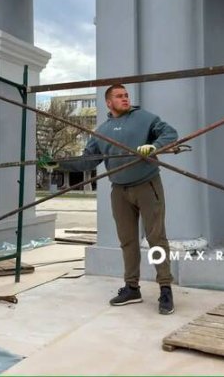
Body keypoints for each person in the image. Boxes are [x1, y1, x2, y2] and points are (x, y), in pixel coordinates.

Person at [46, 84, 178, 314]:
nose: (125, 98)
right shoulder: (102, 131)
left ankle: (165, 288)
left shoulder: (144, 118)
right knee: (127, 240)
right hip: (119, 191)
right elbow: (87, 161)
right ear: (109, 102)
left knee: (156, 238)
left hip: (147, 185)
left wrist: (154, 146)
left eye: (126, 95)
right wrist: (59, 164)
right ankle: (132, 287)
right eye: (119, 96)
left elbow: (170, 134)